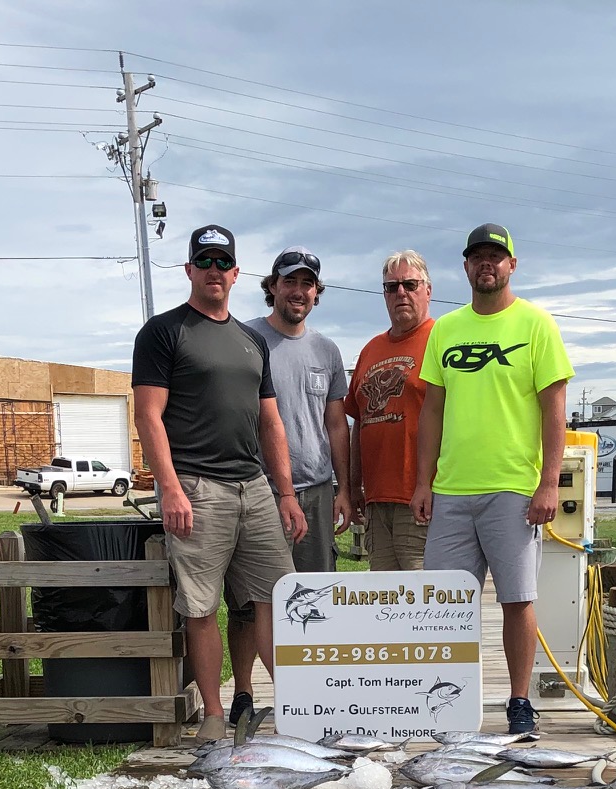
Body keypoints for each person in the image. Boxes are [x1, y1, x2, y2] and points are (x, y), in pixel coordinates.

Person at [131, 224, 306, 743]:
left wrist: (287, 494)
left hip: (253, 488)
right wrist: (171, 487)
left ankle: (296, 708)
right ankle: (213, 714)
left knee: (278, 596)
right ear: (189, 270)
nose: (213, 271)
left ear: (235, 273)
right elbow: (148, 416)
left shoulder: (253, 340)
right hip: (197, 488)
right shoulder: (163, 332)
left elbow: (270, 422)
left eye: (221, 263)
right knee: (202, 606)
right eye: (203, 262)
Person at [409, 223, 573, 736]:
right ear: (465, 267)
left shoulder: (536, 324)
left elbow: (555, 410)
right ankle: (450, 703)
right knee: (446, 603)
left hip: (512, 490)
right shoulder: (446, 330)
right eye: (477, 257)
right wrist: (423, 482)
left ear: (511, 265)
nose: (487, 264)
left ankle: (519, 701)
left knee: (516, 599)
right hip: (452, 490)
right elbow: (431, 411)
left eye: (496, 257)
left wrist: (549, 483)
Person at [224, 247, 349, 725]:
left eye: (307, 284)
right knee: (249, 602)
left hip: (315, 490)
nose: (298, 291)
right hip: (255, 490)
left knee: (312, 598)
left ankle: (311, 694)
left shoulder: (327, 351)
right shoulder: (245, 338)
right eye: (289, 282)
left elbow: (337, 425)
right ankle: (242, 693)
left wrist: (343, 488)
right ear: (272, 286)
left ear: (317, 293)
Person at [346, 250, 434, 571]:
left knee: (421, 605)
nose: (401, 293)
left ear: (428, 290)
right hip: (376, 502)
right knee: (384, 607)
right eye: (391, 286)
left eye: (410, 284)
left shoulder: (442, 341)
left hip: (420, 502)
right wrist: (355, 486)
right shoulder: (370, 349)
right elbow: (359, 421)